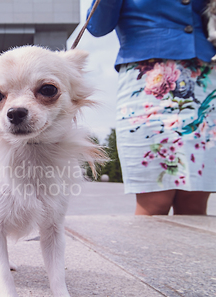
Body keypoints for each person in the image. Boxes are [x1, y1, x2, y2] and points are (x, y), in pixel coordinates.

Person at [86, 0, 215, 215]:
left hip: (202, 76)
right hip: (148, 80)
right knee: (154, 200)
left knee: (194, 200)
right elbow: (97, 26)